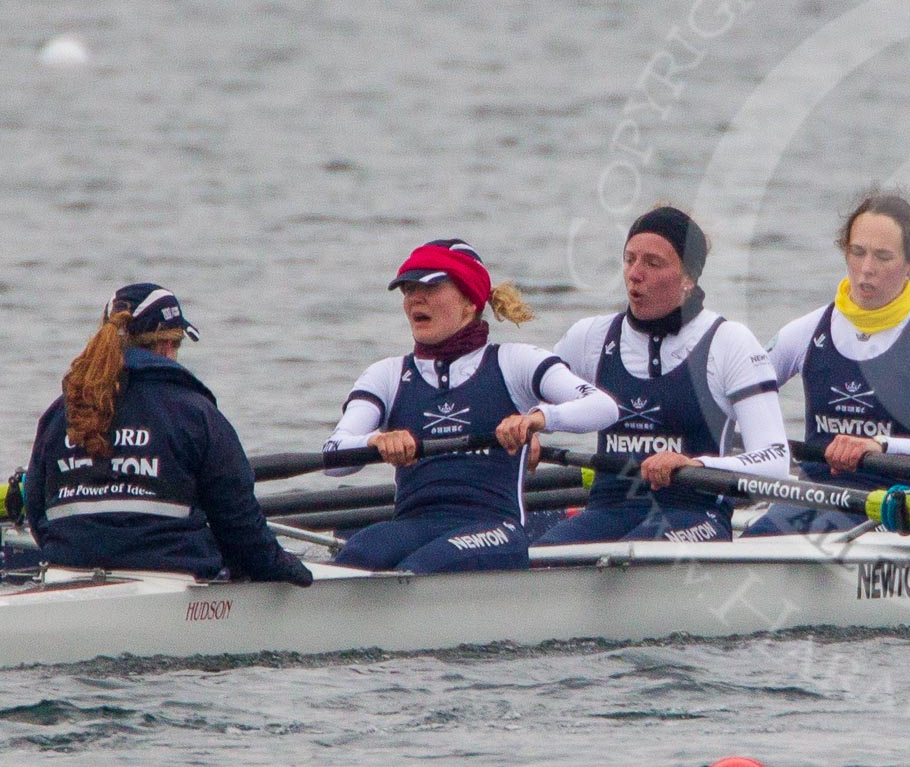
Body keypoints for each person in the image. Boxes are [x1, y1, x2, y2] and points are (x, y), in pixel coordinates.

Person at [324, 239, 619, 572]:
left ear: (468, 301)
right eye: (408, 289)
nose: (414, 298)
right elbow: (334, 458)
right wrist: (373, 442)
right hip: (415, 523)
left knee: (421, 567)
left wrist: (539, 418)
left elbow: (603, 407)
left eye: (430, 286)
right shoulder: (387, 374)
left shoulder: (514, 362)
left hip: (495, 528)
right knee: (356, 556)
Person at [26, 284, 311, 585]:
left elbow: (36, 512)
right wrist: (290, 571)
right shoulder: (195, 413)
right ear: (167, 347)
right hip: (167, 581)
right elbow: (239, 525)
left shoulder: (61, 413)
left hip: (64, 577)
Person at [539, 207, 790, 544]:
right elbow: (523, 401)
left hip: (693, 513)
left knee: (633, 554)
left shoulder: (728, 342)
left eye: (653, 263)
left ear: (688, 278)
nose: (634, 274)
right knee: (542, 554)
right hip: (609, 509)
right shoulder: (589, 338)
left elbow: (776, 459)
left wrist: (695, 464)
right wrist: (527, 426)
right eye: (629, 259)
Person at [744, 194, 910, 536]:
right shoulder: (808, 330)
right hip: (814, 494)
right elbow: (733, 395)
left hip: (896, 503)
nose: (866, 269)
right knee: (756, 540)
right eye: (857, 252)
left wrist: (880, 445)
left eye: (883, 257)